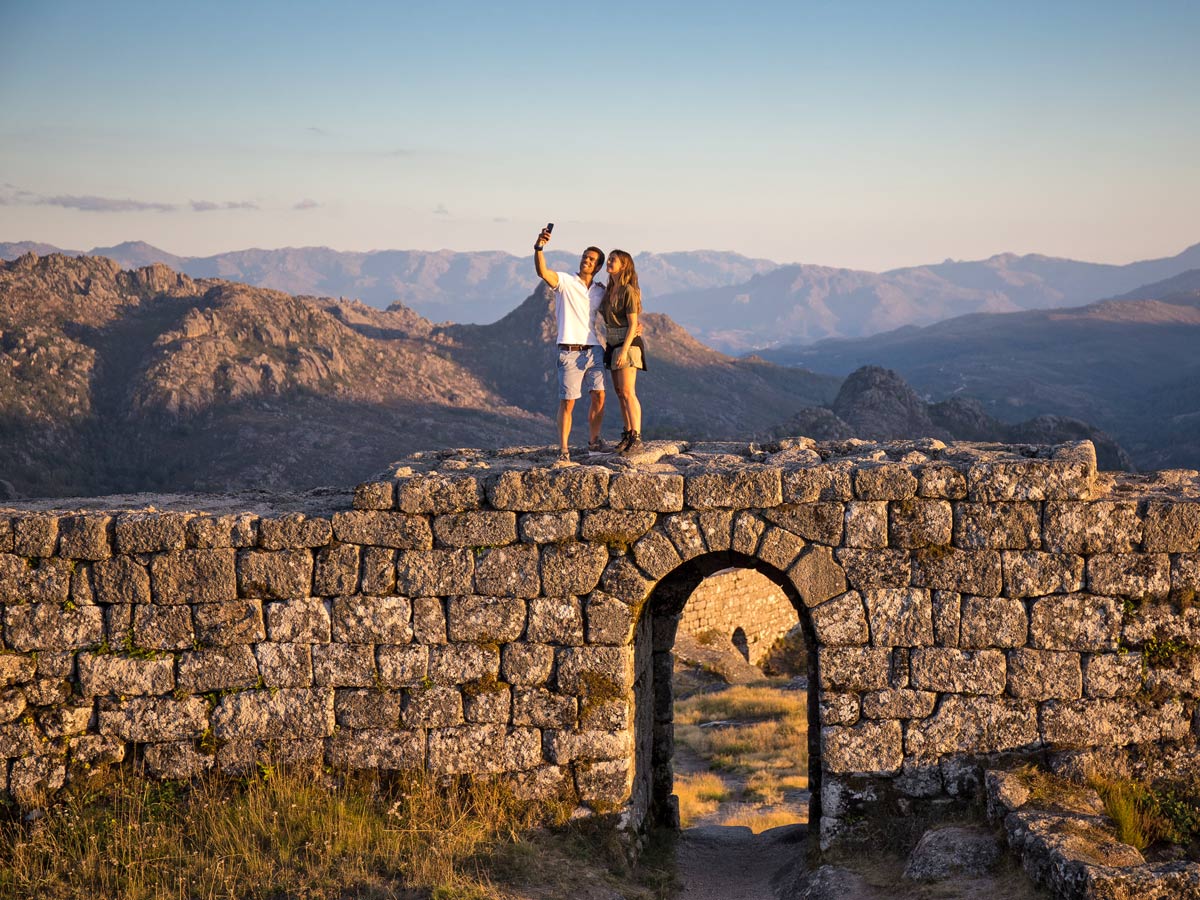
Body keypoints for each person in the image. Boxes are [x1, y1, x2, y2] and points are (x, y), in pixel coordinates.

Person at [534, 226, 607, 464]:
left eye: (591, 259)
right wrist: (539, 247)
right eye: (585, 256)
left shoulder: (599, 291)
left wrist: (636, 325)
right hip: (569, 350)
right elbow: (542, 271)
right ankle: (563, 449)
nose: (586, 260)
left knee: (599, 396)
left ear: (597, 267)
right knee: (568, 402)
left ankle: (594, 444)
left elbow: (619, 310)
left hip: (594, 349)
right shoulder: (565, 281)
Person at [600, 249, 647, 455]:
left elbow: (633, 323)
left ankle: (636, 437)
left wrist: (624, 350)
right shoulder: (610, 290)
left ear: (624, 265)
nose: (609, 262)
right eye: (609, 259)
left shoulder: (628, 290)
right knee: (620, 393)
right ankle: (627, 433)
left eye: (613, 260)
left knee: (628, 392)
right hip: (612, 342)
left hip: (626, 344)